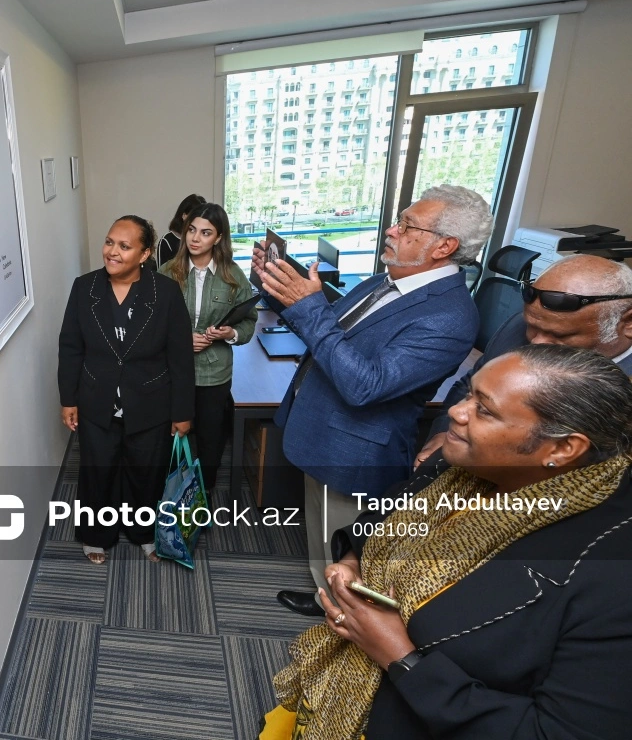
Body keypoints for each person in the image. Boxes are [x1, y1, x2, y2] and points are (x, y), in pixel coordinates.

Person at [260, 344, 632, 740]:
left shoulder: (610, 572)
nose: (456, 411)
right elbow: (387, 510)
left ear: (562, 448)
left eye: (484, 409)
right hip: (333, 698)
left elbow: (553, 732)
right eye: (469, 393)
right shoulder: (457, 461)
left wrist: (400, 658)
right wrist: (353, 560)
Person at [253, 184, 491, 615]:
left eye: (407, 225)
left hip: (355, 448)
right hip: (323, 429)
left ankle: (345, 623)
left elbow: (366, 385)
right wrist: (279, 288)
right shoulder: (390, 280)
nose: (391, 230)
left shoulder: (450, 316)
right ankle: (327, 597)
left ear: (445, 246)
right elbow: (334, 326)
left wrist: (308, 307)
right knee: (320, 533)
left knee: (347, 545)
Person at [58, 215, 195, 564]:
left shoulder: (164, 293)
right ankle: (95, 535)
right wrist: (68, 399)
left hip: (149, 402)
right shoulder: (83, 287)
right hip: (96, 400)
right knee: (96, 470)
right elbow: (71, 347)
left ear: (145, 253)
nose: (112, 252)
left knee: (144, 473)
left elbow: (180, 356)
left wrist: (182, 411)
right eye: (109, 242)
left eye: (124, 246)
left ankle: (143, 533)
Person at [414, 253, 632, 469]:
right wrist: (444, 432)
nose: (536, 343)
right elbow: (468, 385)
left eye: (560, 336)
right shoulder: (515, 329)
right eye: (532, 327)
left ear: (628, 323)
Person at [160, 203, 257, 490]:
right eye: (191, 230)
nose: (195, 238)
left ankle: (203, 496)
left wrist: (229, 333)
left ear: (218, 238)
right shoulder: (167, 273)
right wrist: (181, 338)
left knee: (210, 440)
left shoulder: (233, 277)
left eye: (205, 233)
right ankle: (173, 496)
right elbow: (150, 325)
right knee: (174, 436)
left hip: (214, 374)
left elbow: (249, 323)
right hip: (174, 372)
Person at [157, 193, 206, 269]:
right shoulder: (167, 240)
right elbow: (161, 274)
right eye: (194, 216)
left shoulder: (206, 240)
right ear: (184, 216)